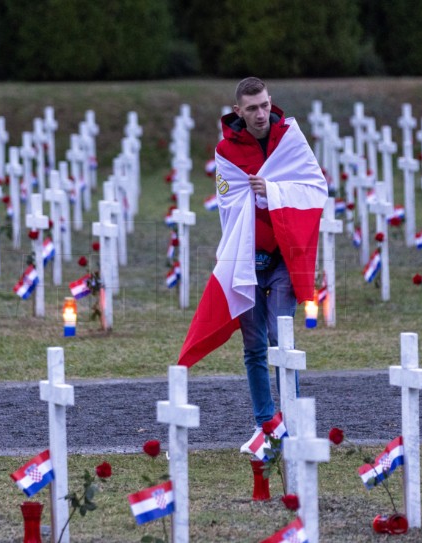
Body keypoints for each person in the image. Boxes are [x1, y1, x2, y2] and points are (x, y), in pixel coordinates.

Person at [177, 77, 327, 452]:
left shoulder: (290, 138)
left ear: (270, 102)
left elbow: (314, 186)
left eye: (264, 105)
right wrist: (257, 194)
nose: (260, 114)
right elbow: (229, 203)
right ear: (238, 111)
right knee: (254, 345)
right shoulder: (227, 151)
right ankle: (267, 423)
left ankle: (290, 419)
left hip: (283, 257)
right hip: (247, 257)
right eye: (252, 108)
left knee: (282, 339)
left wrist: (272, 191)